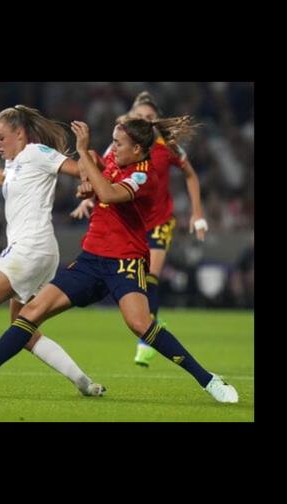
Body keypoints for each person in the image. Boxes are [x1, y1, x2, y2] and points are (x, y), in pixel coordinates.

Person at [0, 117, 238, 403]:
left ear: (138, 150)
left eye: (119, 144)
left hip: (125, 263)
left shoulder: (145, 176)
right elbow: (97, 184)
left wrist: (84, 158)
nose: (113, 147)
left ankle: (208, 380)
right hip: (91, 260)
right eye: (113, 142)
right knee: (30, 314)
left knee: (140, 324)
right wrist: (88, 186)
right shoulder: (116, 164)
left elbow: (108, 191)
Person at [0, 104, 105, 397]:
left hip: (30, 247)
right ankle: (85, 384)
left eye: (0, 137)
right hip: (40, 251)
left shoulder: (37, 153)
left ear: (20, 133)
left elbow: (78, 169)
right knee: (23, 330)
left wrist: (88, 161)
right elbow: (3, 177)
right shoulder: (16, 163)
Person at [71, 91, 208, 367]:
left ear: (155, 120)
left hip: (159, 221)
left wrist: (197, 213)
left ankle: (146, 339)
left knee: (151, 278)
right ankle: (150, 326)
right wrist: (88, 194)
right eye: (140, 116)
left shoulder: (167, 145)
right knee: (141, 279)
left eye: (149, 116)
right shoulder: (120, 144)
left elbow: (191, 175)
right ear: (132, 118)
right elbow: (100, 168)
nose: (145, 119)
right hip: (130, 223)